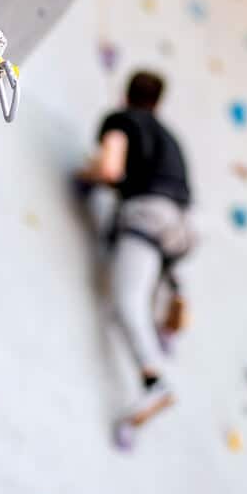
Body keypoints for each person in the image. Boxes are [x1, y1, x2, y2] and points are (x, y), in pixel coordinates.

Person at [77, 70, 194, 428]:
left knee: (127, 301)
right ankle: (167, 298)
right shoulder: (173, 139)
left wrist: (87, 175)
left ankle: (153, 380)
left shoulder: (121, 121)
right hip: (181, 228)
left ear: (126, 95)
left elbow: (110, 169)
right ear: (157, 102)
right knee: (147, 261)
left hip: (145, 216)